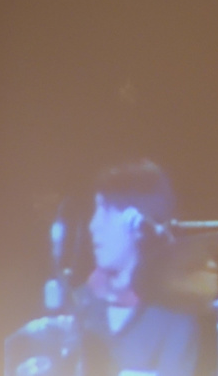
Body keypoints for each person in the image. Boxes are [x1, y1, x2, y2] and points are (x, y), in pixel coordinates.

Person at [76, 158, 199, 376]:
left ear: (137, 222)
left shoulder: (174, 317)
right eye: (95, 211)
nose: (93, 225)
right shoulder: (78, 305)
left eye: (106, 211)